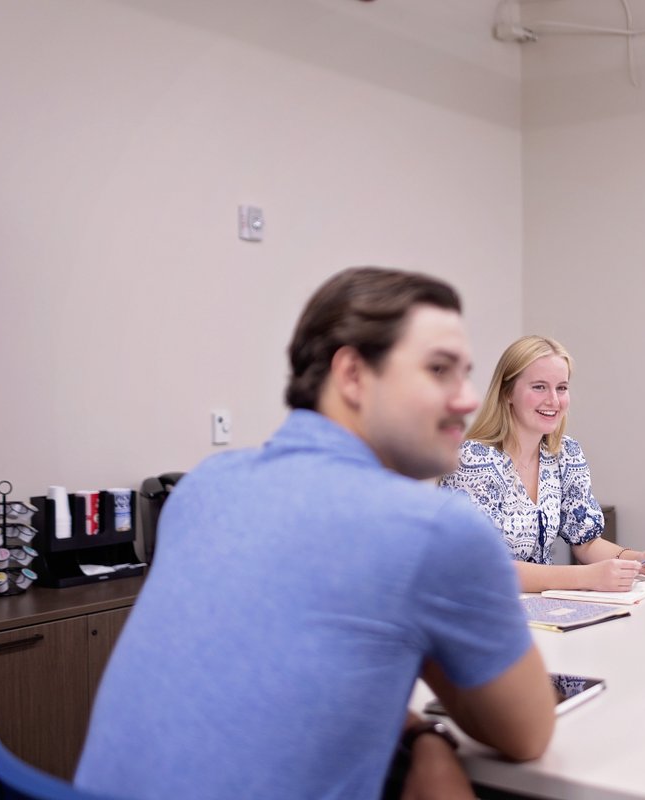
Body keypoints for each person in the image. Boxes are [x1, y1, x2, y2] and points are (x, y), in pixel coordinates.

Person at [75, 268, 555, 800]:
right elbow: (526, 734)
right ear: (351, 374)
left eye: (465, 374)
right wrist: (432, 739)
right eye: (439, 369)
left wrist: (418, 733)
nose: (466, 399)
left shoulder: (205, 486)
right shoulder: (432, 530)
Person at [440, 335, 645, 593]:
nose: (554, 400)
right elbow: (483, 568)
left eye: (561, 388)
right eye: (539, 387)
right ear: (507, 393)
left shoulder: (566, 454)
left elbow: (585, 542)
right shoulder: (474, 461)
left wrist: (639, 561)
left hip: (539, 609)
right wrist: (587, 578)